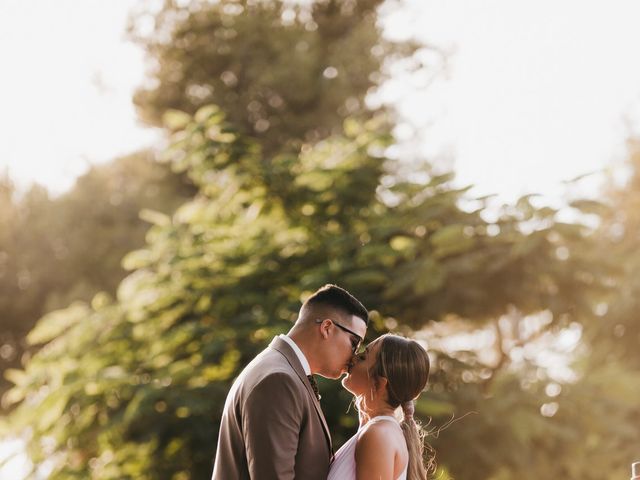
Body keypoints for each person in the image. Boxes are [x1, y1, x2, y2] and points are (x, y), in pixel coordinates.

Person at [211, 284, 369, 480]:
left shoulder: (279, 369)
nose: (354, 357)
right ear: (327, 327)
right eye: (354, 343)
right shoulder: (279, 380)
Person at [327, 333, 435, 480]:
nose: (354, 357)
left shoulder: (378, 434)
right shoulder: (378, 430)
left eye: (364, 357)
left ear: (379, 383)